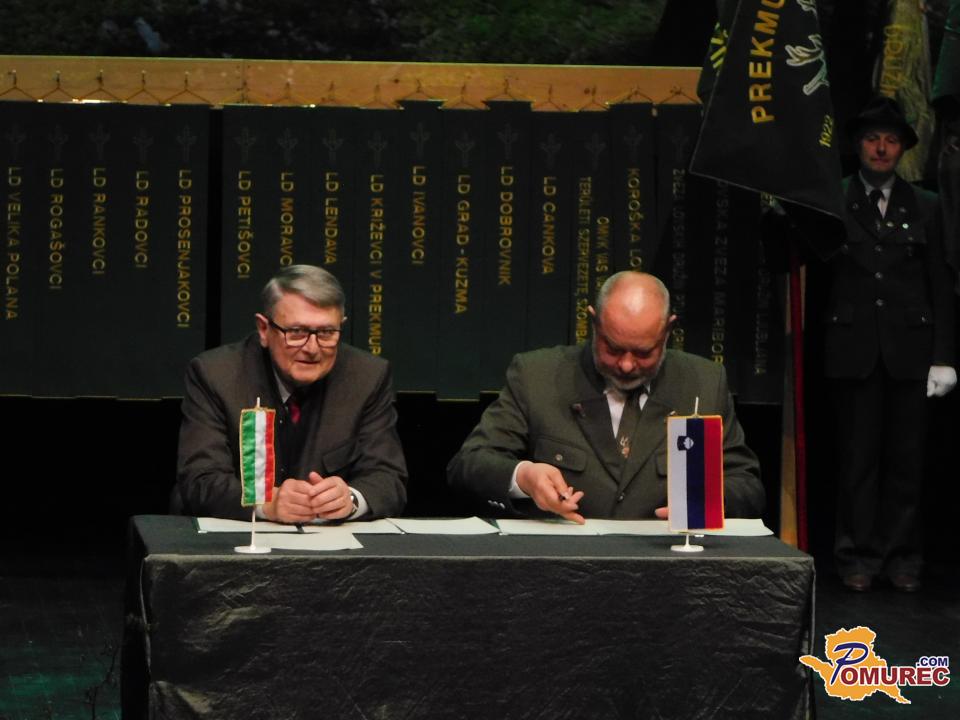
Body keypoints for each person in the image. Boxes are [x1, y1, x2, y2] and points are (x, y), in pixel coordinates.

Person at [446, 271, 765, 523]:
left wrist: (708, 501)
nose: (626, 365)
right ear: (593, 322)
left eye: (643, 352)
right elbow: (469, 464)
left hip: (669, 566)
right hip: (561, 567)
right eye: (612, 348)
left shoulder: (704, 383)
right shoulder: (536, 376)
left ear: (668, 331)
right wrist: (524, 476)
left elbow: (747, 485)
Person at [824, 97, 955, 592]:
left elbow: (940, 281)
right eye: (872, 139)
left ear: (903, 149)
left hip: (911, 351)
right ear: (858, 145)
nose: (881, 148)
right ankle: (856, 556)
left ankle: (902, 556)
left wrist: (944, 356)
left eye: (892, 140)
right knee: (857, 461)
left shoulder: (926, 205)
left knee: (907, 462)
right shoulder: (833, 197)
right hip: (853, 348)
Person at [173, 264, 407, 522]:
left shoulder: (367, 376)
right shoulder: (216, 375)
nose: (312, 348)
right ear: (264, 329)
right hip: (233, 538)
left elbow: (388, 477)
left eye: (326, 333)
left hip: (328, 540)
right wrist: (266, 503)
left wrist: (350, 499)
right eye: (296, 332)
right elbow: (200, 478)